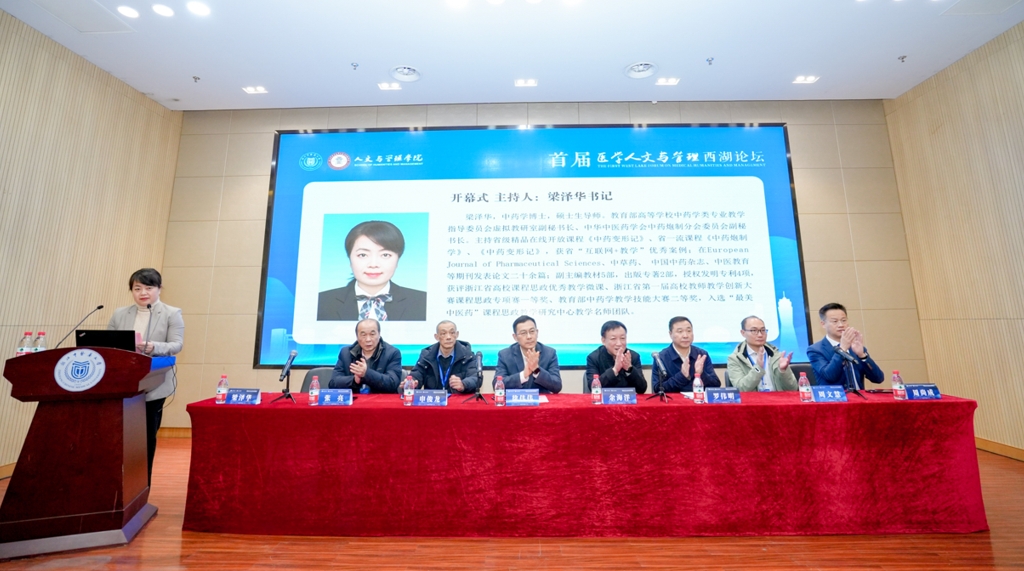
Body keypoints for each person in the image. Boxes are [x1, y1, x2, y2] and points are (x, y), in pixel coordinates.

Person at [107, 268, 184, 485]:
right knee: (118, 438)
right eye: (137, 288)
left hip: (153, 384)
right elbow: (107, 343)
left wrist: (154, 347)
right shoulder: (120, 314)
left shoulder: (171, 313)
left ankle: (142, 487)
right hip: (121, 384)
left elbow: (176, 344)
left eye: (148, 288)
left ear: (159, 289)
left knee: (145, 438)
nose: (143, 293)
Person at [317, 220, 426, 321]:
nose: (373, 265)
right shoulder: (322, 302)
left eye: (385, 255)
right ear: (350, 258)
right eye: (363, 255)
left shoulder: (422, 302)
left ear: (398, 259)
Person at [807, 303, 884, 389]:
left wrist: (862, 355)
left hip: (859, 396)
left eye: (843, 320)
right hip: (835, 397)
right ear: (823, 324)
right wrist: (842, 349)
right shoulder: (815, 350)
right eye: (835, 321)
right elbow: (830, 376)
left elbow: (878, 378)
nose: (841, 325)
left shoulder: (855, 347)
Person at [328, 318, 402, 393]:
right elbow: (333, 383)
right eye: (363, 335)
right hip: (355, 399)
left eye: (372, 334)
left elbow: (392, 383)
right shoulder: (346, 353)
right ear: (357, 336)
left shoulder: (392, 353)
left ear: (379, 334)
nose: (368, 339)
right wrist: (354, 380)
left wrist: (366, 373)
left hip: (381, 399)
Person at [726, 316, 797, 392]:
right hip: (753, 400)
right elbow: (741, 389)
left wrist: (783, 371)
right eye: (754, 330)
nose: (760, 335)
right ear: (743, 333)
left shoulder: (776, 355)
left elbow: (793, 388)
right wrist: (758, 369)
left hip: (777, 398)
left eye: (763, 330)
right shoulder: (735, 359)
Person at [407, 321, 480, 394]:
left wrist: (463, 384)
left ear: (457, 334)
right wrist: (412, 382)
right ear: (436, 337)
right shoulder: (427, 355)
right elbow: (417, 374)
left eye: (452, 333)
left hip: (457, 399)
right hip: (434, 399)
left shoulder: (467, 355)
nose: (448, 337)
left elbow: (475, 378)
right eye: (443, 334)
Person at [494, 315, 562, 393]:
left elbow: (557, 386)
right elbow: (497, 385)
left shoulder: (549, 353)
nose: (529, 337)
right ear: (515, 337)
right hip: (515, 400)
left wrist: (536, 370)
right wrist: (523, 375)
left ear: (537, 332)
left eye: (532, 331)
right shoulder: (505, 355)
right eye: (523, 333)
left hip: (541, 400)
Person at [655, 316, 721, 393]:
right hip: (674, 400)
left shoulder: (701, 354)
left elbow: (716, 385)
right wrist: (682, 376)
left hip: (698, 399)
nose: (685, 335)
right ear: (670, 334)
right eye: (680, 331)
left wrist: (701, 374)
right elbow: (658, 389)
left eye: (689, 331)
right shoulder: (661, 357)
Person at [583, 320, 647, 394]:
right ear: (603, 340)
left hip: (627, 400)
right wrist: (615, 370)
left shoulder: (633, 356)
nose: (619, 343)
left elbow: (642, 389)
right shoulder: (594, 358)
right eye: (613, 339)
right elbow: (594, 389)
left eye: (622, 338)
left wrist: (629, 369)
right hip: (603, 400)